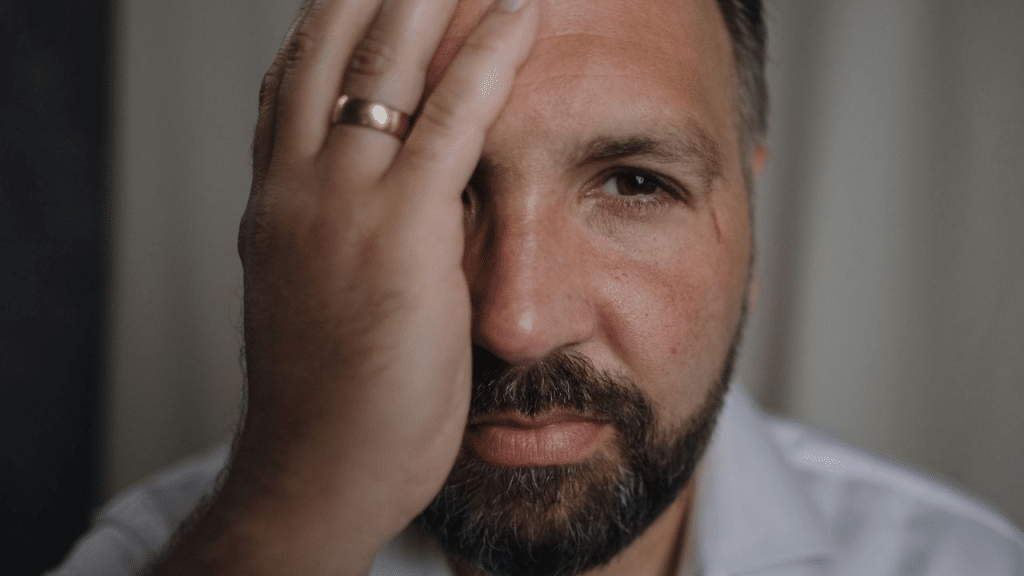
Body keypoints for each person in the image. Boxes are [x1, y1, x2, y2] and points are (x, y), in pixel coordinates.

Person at [52, 0, 1024, 574]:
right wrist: (286, 515)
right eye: (441, 189)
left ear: (751, 238)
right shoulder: (176, 549)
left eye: (634, 184)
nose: (515, 321)